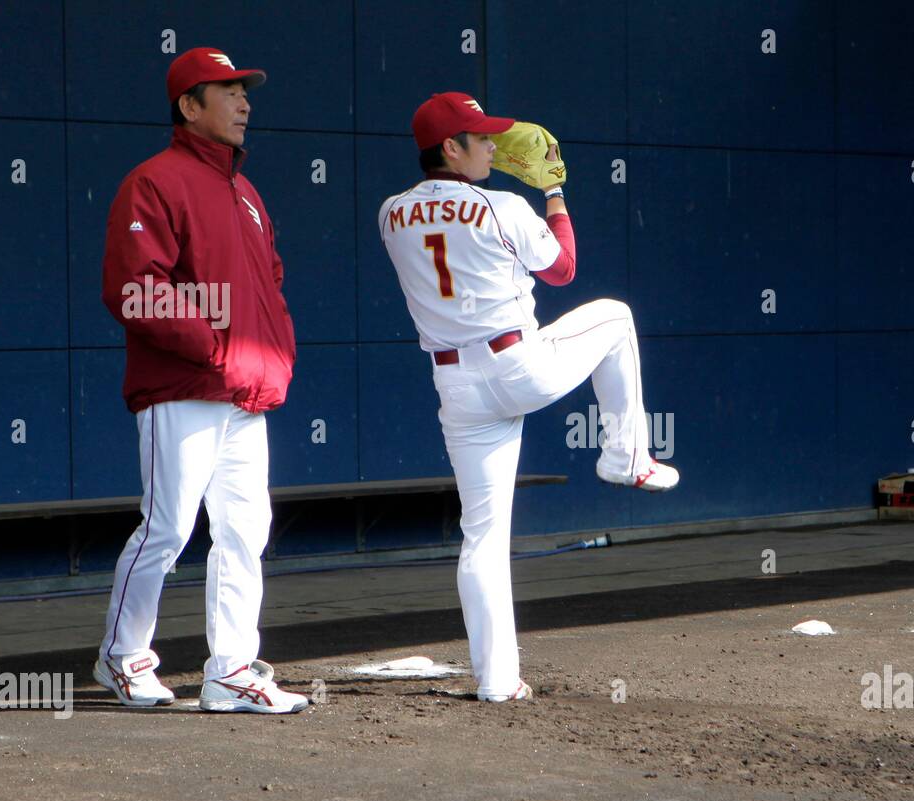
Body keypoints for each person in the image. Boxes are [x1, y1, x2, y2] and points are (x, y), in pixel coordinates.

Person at [378, 92, 679, 703]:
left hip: (455, 384)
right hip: (519, 363)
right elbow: (564, 269)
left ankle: (496, 681)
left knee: (482, 537)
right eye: (479, 137)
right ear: (449, 148)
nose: (493, 145)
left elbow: (445, 222)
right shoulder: (505, 205)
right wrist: (556, 194)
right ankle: (626, 458)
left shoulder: (389, 213)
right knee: (617, 317)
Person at [94, 47, 306, 714]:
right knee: (168, 526)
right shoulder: (153, 181)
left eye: (247, 92)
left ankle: (231, 670)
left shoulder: (245, 192)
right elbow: (134, 289)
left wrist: (273, 356)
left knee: (247, 529)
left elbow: (270, 286)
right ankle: (123, 657)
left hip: (247, 390)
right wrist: (216, 350)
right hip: (182, 386)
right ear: (190, 106)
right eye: (228, 92)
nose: (244, 103)